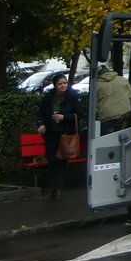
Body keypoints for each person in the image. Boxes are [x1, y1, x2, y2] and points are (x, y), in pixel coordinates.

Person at [36, 73, 85, 201]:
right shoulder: (48, 97)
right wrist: (41, 124)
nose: (63, 86)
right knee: (51, 160)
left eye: (64, 83)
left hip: (66, 133)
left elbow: (80, 114)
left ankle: (57, 189)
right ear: (55, 85)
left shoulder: (73, 96)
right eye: (60, 84)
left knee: (61, 161)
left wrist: (64, 117)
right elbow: (41, 112)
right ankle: (53, 188)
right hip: (51, 133)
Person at [95, 63, 131, 134]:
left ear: (98, 74)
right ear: (109, 71)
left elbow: (94, 104)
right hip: (124, 115)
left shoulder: (97, 85)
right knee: (125, 140)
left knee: (108, 141)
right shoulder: (123, 80)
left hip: (106, 117)